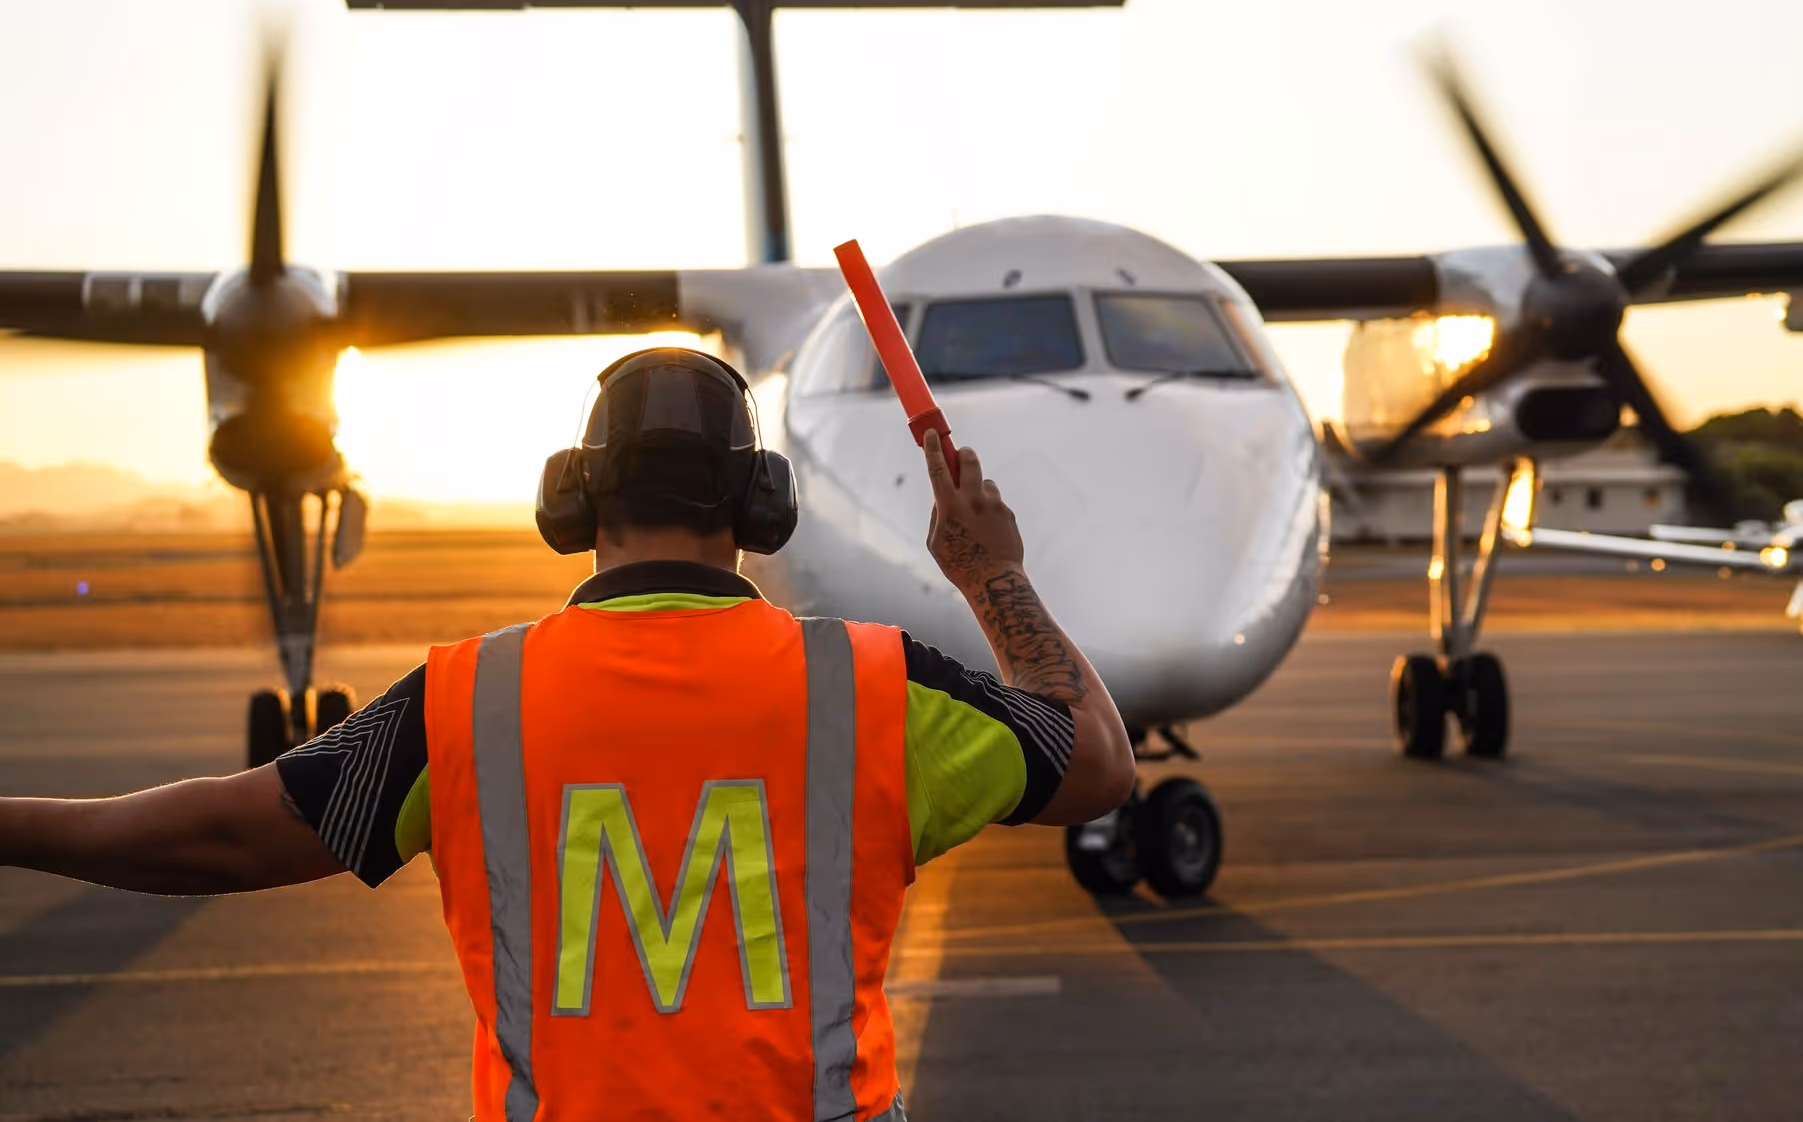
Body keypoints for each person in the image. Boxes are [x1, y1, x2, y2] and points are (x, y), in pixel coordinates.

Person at [0, 347, 1133, 1121]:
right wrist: (990, 573)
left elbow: (217, 835)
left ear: (571, 502)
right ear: (760, 504)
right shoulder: (875, 684)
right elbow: (1096, 761)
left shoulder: (465, 699)